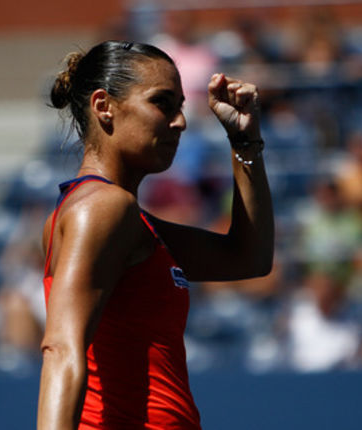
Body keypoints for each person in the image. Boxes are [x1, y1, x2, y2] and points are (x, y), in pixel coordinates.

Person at [38, 41, 273, 429]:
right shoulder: (101, 208)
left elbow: (249, 258)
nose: (179, 121)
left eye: (180, 105)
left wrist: (245, 142)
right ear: (103, 106)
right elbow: (61, 348)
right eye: (162, 103)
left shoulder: (125, 218)